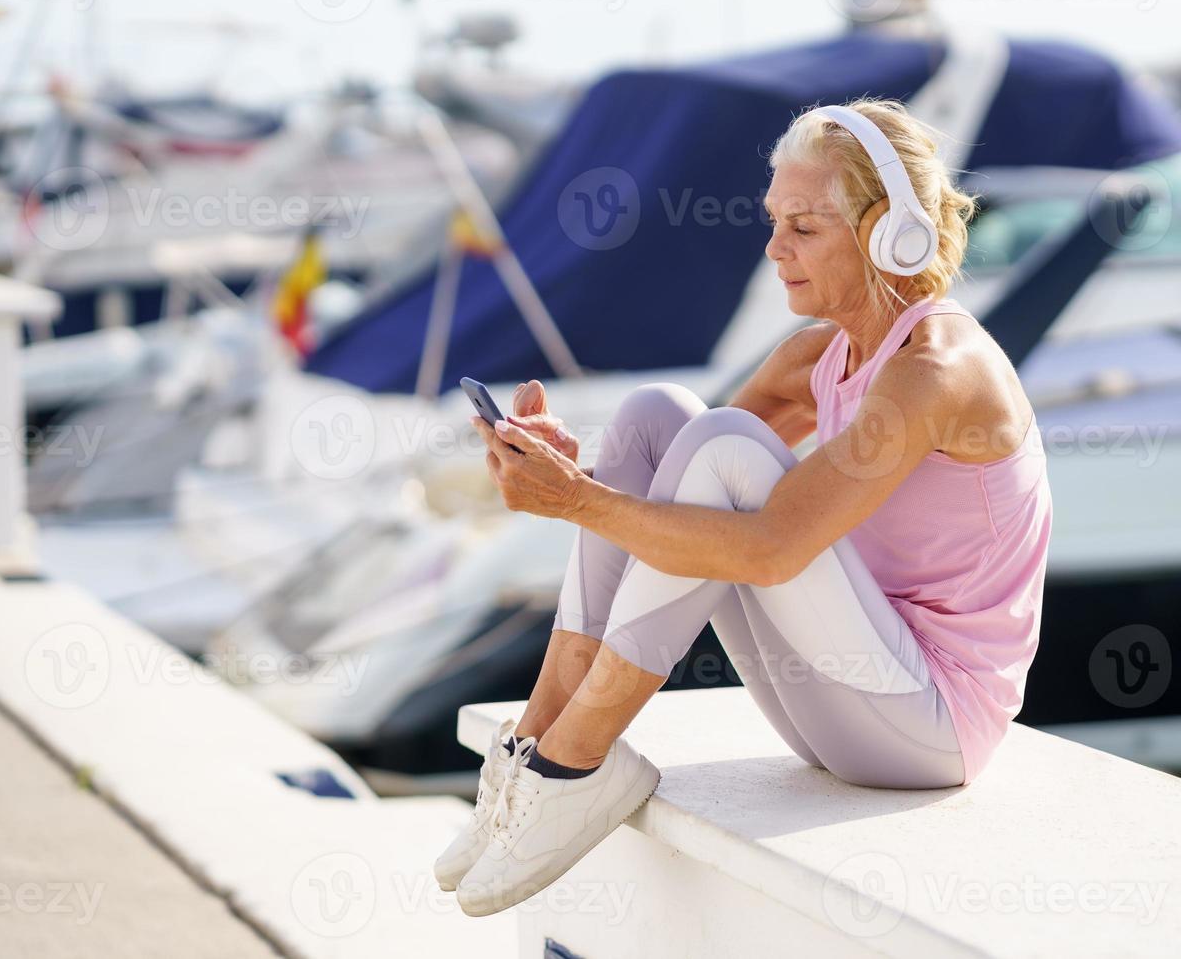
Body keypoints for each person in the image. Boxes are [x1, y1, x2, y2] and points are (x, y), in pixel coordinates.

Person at [435, 97, 1053, 918]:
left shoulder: (936, 370)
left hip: (932, 730)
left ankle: (577, 765)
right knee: (657, 415)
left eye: (803, 226)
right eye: (774, 222)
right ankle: (533, 750)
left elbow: (769, 548)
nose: (774, 249)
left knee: (724, 446)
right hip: (840, 703)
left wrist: (578, 502)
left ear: (888, 232)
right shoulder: (817, 357)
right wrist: (567, 472)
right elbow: (676, 473)